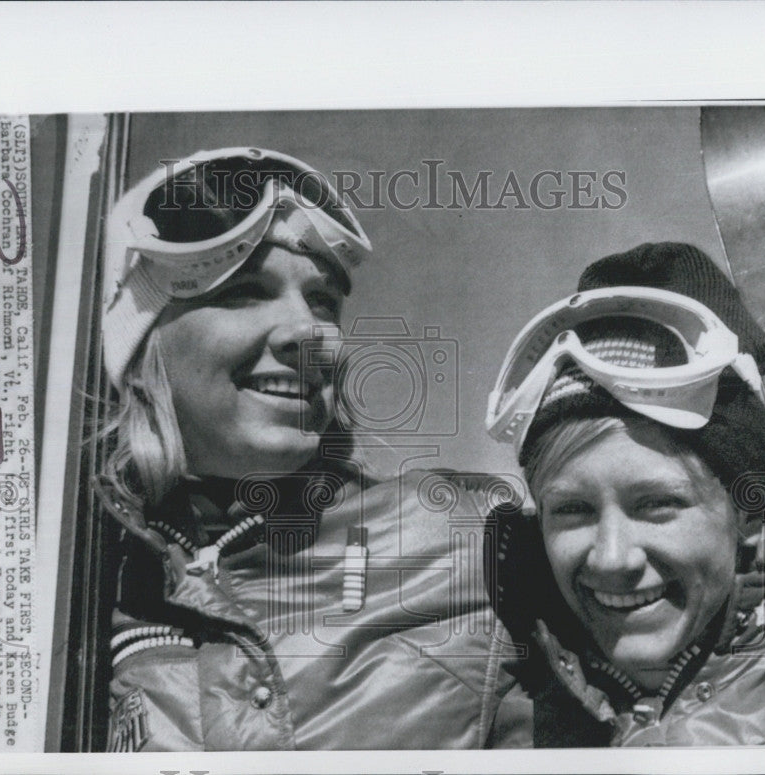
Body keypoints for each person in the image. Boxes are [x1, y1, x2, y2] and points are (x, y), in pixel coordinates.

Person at [95, 147, 532, 751]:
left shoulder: (472, 539)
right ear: (142, 345)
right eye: (247, 290)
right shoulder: (96, 586)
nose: (310, 332)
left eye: (322, 301)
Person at [485, 242, 765, 746]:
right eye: (572, 509)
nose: (612, 558)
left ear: (746, 509)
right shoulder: (498, 710)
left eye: (657, 504)